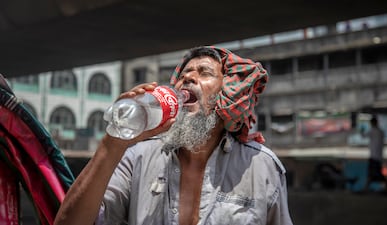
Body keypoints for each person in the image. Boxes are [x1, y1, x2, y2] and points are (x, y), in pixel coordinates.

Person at [54, 46, 293, 225]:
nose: (188, 78)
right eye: (184, 74)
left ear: (227, 95)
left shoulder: (262, 167)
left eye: (204, 73)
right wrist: (112, 144)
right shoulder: (137, 157)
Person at [363, 116, 386, 192]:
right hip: (380, 156)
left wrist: (361, 130)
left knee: (371, 174)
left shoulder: (372, 131)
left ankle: (366, 189)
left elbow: (363, 136)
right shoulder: (381, 131)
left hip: (373, 156)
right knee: (378, 174)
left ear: (372, 123)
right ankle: (385, 188)